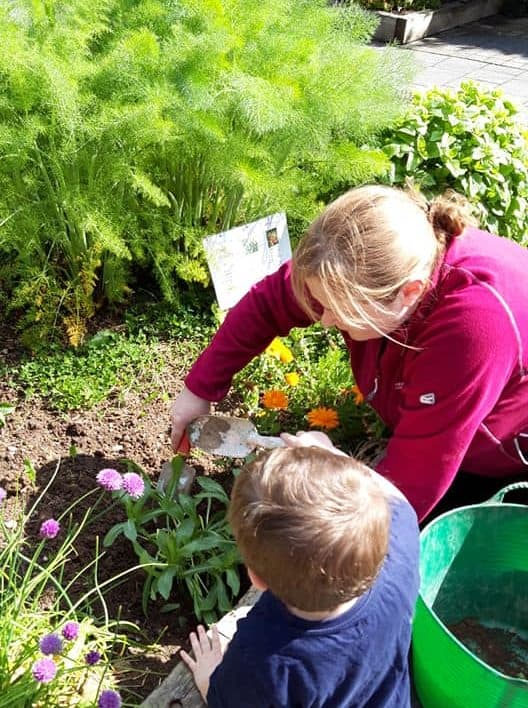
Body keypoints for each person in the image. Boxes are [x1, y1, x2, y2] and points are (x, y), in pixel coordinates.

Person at [170, 185, 528, 521]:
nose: (324, 321)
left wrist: (337, 470)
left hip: (505, 449)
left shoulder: (473, 325)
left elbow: (406, 493)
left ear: (409, 292)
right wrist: (199, 389)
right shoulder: (357, 259)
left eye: (338, 312)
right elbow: (269, 304)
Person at [180, 444, 420, 707]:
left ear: (256, 579)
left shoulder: (263, 660)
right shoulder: (399, 556)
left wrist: (210, 678)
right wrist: (331, 453)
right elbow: (396, 500)